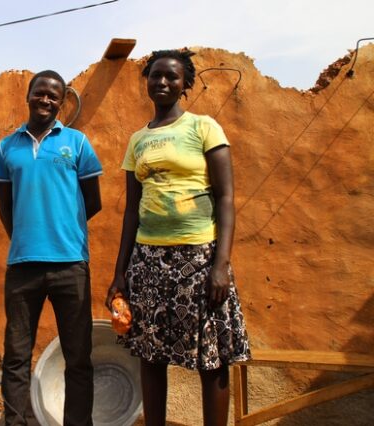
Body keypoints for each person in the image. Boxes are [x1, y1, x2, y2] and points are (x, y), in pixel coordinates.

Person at [105, 49, 251, 426]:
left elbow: (226, 197)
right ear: (147, 81)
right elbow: (132, 212)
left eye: (172, 76)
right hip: (149, 260)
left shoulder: (204, 128)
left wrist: (221, 264)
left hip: (199, 257)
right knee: (151, 354)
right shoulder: (137, 140)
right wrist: (121, 272)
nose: (163, 82)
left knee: (211, 355)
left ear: (186, 84)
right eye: (156, 75)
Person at [0, 69, 103, 426]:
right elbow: (5, 206)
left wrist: (62, 229)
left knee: (78, 357)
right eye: (40, 93)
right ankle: (15, 422)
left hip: (71, 264)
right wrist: (26, 235)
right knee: (16, 356)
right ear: (28, 96)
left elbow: (92, 202)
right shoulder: (7, 147)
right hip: (23, 266)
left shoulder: (78, 143)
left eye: (54, 96)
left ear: (61, 102)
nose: (46, 100)